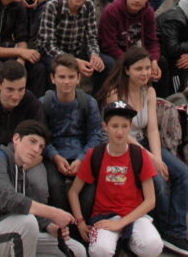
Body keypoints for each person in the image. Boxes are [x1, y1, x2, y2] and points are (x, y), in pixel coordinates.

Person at [97, 47, 188, 257]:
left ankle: (176, 231)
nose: (144, 73)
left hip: (145, 143)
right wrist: (152, 160)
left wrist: (158, 159)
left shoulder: (149, 90)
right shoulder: (115, 93)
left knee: (183, 173)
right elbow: (122, 132)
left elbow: (151, 128)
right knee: (157, 182)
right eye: (138, 69)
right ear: (127, 70)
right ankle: (165, 229)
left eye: (147, 68)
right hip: (124, 145)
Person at [0, 119, 84, 257]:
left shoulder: (20, 171)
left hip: (10, 235)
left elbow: (32, 209)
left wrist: (50, 227)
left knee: (76, 250)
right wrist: (52, 212)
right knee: (27, 223)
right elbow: (5, 197)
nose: (36, 149)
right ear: (16, 139)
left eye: (41, 147)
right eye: (32, 141)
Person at [68, 100, 162, 257]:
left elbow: (150, 200)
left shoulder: (139, 154)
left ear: (130, 127)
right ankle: (118, 243)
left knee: (154, 246)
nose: (120, 132)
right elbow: (73, 192)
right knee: (100, 251)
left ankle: (127, 243)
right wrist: (80, 221)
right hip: (104, 216)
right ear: (105, 126)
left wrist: (121, 223)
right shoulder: (95, 154)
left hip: (134, 215)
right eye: (115, 126)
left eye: (125, 126)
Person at [41, 54, 108, 207]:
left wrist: (82, 158)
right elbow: (42, 137)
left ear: (78, 78)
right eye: (62, 77)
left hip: (81, 152)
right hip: (55, 155)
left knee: (89, 191)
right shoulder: (44, 103)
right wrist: (55, 157)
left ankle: (81, 227)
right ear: (53, 78)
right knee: (55, 188)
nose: (66, 82)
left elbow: (96, 134)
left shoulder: (88, 102)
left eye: (71, 77)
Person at [36, 0, 105, 76]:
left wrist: (94, 55)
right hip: (53, 53)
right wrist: (74, 61)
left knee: (107, 64)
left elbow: (91, 38)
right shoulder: (53, 6)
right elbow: (48, 45)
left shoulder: (89, 5)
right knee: (61, 69)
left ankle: (99, 92)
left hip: (76, 51)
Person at [97, 0, 163, 79]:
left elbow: (152, 41)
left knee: (160, 62)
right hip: (106, 51)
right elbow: (109, 46)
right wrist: (131, 61)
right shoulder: (111, 11)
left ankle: (154, 94)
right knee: (112, 65)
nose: (137, 0)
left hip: (129, 49)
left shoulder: (148, 12)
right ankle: (102, 94)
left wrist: (154, 60)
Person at [0, 59, 47, 146]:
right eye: (10, 89)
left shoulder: (32, 103)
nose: (16, 96)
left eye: (21, 89)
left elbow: (40, 138)